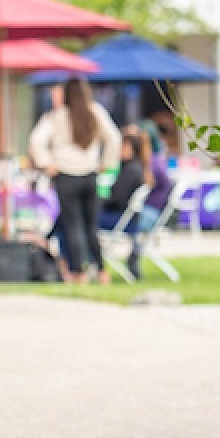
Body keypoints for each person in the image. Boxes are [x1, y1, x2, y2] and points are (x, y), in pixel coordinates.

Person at [29, 75, 121, 285]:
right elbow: (114, 137)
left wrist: (47, 163)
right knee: (91, 225)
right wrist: (106, 162)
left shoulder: (57, 117)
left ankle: (78, 271)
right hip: (90, 174)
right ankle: (101, 270)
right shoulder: (95, 112)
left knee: (72, 225)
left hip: (65, 175)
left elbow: (36, 140)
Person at [98, 131, 153, 278]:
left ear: (128, 147)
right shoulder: (136, 168)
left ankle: (71, 265)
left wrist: (95, 202)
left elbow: (117, 200)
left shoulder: (131, 170)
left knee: (75, 218)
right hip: (128, 219)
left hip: (121, 219)